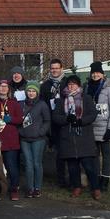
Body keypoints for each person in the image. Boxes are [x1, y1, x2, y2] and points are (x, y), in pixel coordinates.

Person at [52, 75, 101, 199]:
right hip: (68, 138)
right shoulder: (62, 100)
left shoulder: (87, 98)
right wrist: (66, 119)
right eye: (69, 84)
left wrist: (81, 121)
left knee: (89, 166)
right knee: (73, 167)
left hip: (84, 137)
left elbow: (93, 114)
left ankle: (95, 188)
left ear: (79, 85)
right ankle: (76, 187)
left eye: (74, 84)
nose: (71, 86)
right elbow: (55, 117)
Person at [85, 61, 110, 192]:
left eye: (98, 72)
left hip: (105, 127)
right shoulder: (87, 87)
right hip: (92, 127)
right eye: (93, 73)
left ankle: (105, 179)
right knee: (94, 155)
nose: (95, 75)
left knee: (106, 155)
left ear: (102, 74)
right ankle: (95, 178)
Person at [40, 59, 69, 188]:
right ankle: (61, 179)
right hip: (52, 123)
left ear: (61, 68)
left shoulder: (67, 83)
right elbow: (42, 104)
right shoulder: (45, 85)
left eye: (57, 68)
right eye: (52, 68)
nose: (54, 70)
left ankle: (72, 177)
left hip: (66, 121)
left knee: (67, 151)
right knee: (58, 152)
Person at [18, 82, 51, 198]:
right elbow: (18, 120)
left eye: (33, 91)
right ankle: (30, 188)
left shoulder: (42, 104)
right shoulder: (21, 104)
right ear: (26, 92)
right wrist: (20, 132)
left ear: (37, 92)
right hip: (24, 138)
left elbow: (47, 121)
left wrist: (41, 132)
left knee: (37, 163)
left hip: (38, 139)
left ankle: (37, 188)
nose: (31, 93)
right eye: (29, 91)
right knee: (28, 164)